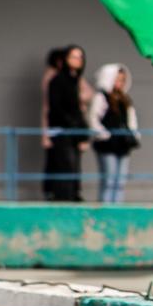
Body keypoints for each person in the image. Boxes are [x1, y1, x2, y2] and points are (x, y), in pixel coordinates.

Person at [89, 63, 140, 203]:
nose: (120, 83)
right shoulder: (101, 97)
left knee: (120, 181)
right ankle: (106, 210)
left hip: (123, 145)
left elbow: (131, 120)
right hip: (108, 145)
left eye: (122, 80)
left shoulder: (125, 99)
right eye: (117, 79)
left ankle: (117, 209)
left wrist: (133, 134)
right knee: (109, 180)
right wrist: (104, 135)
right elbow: (93, 119)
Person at [46, 44, 89, 202]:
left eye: (80, 57)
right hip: (62, 132)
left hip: (74, 133)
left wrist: (83, 133)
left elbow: (78, 109)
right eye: (74, 57)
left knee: (75, 170)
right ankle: (64, 202)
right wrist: (72, 125)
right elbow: (55, 108)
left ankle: (73, 199)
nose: (78, 60)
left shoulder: (75, 81)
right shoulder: (56, 81)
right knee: (65, 168)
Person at [40, 47, 66, 201]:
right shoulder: (52, 77)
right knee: (55, 162)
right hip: (54, 126)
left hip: (59, 127)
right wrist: (45, 134)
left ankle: (57, 193)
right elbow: (47, 107)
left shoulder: (69, 77)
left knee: (60, 163)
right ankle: (52, 193)